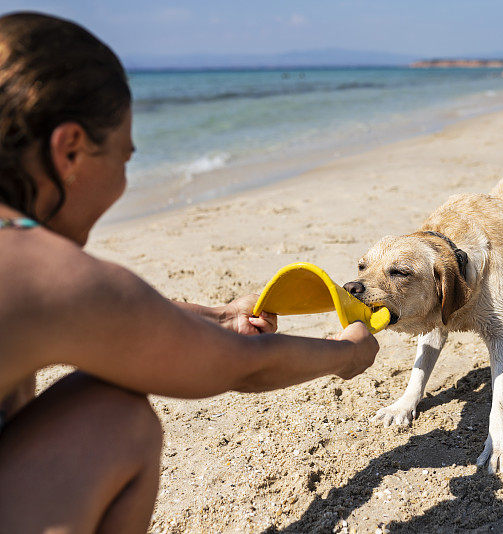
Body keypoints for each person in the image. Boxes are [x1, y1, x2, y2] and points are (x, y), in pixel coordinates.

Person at [0, 12, 379, 533]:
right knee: (117, 418)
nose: (124, 181)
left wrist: (224, 313)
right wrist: (349, 353)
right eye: (123, 158)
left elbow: (126, 321)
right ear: (69, 149)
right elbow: (239, 365)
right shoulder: (41, 269)